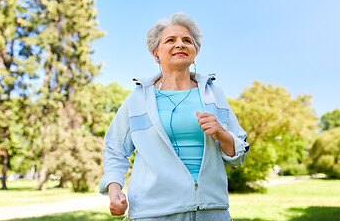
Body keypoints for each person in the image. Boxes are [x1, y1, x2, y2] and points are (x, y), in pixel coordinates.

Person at [99, 12, 249, 221]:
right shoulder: (138, 98)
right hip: (154, 213)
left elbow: (238, 154)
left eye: (187, 40)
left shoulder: (214, 95)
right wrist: (114, 190)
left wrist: (222, 134)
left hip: (211, 211)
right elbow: (115, 149)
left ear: (194, 51)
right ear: (156, 53)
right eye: (171, 40)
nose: (180, 44)